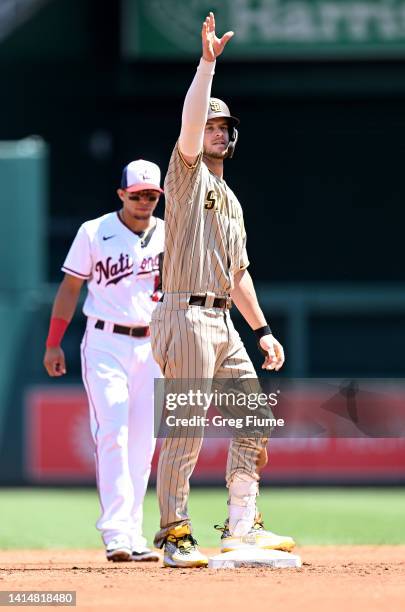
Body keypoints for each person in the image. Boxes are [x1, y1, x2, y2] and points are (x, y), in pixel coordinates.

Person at [150, 13, 296, 568]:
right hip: (183, 314)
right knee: (186, 428)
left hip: (223, 322)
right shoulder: (186, 177)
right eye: (213, 125)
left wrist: (261, 329)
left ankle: (241, 524)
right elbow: (189, 124)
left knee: (255, 418)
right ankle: (174, 532)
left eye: (223, 126)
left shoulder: (232, 201)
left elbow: (238, 276)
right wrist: (206, 67)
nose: (219, 132)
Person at [43, 159, 165, 562]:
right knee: (111, 430)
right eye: (137, 195)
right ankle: (116, 533)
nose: (144, 202)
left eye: (151, 195)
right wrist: (53, 342)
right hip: (105, 342)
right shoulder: (94, 231)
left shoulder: (168, 232)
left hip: (154, 346)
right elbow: (70, 286)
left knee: (144, 443)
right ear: (120, 194)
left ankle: (134, 533)